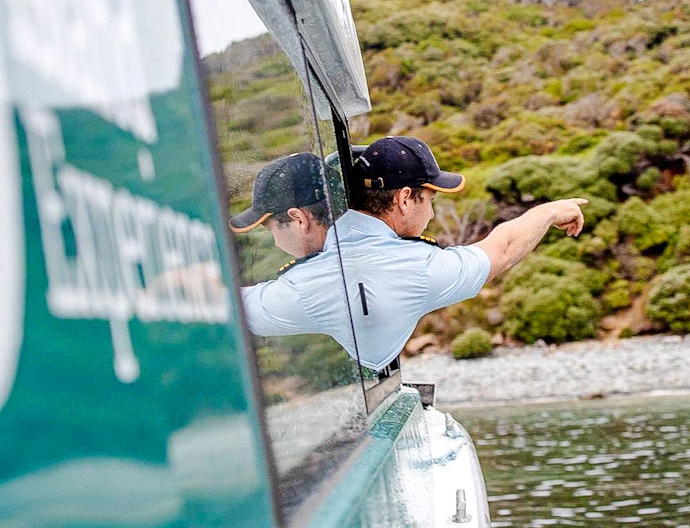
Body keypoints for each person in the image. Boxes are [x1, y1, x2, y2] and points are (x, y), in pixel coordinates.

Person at [234, 139, 586, 372]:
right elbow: (504, 249)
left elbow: (231, 309)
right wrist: (549, 212)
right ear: (404, 199)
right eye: (430, 200)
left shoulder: (303, 284)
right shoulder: (414, 268)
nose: (431, 215)